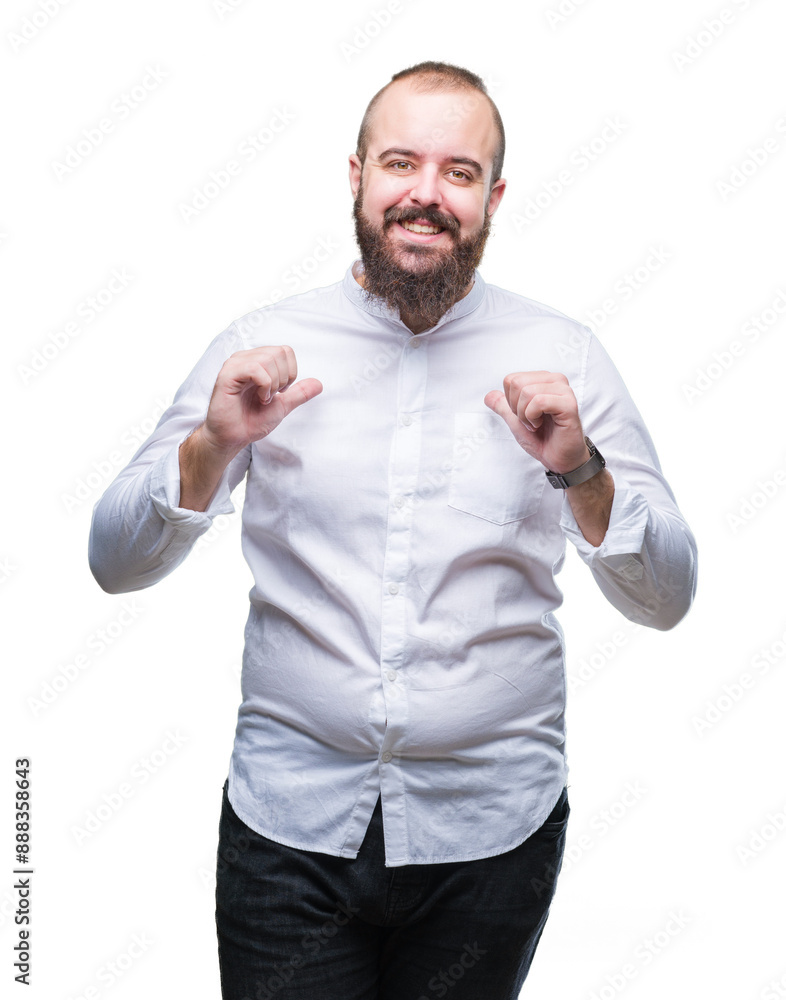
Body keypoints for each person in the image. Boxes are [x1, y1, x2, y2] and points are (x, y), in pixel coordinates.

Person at [89, 61, 697, 1000]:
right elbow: (113, 563)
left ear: (492, 198)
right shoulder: (260, 345)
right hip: (289, 828)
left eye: (458, 172)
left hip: (492, 836)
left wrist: (580, 470)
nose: (424, 194)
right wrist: (212, 446)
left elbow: (669, 596)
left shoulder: (565, 358)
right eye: (400, 162)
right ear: (357, 175)